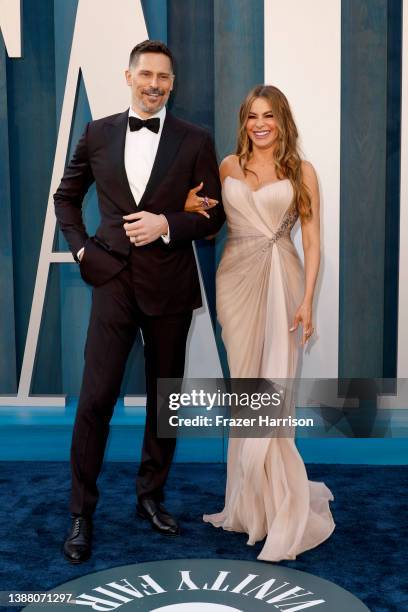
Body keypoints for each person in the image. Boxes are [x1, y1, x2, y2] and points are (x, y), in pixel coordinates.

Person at [54, 39, 225, 563]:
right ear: (128, 76)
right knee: (95, 400)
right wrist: (83, 251)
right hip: (111, 283)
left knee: (164, 402)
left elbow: (213, 215)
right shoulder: (96, 132)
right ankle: (82, 512)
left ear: (173, 84)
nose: (155, 84)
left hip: (170, 287)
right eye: (146, 74)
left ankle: (150, 497)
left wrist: (168, 224)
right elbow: (66, 196)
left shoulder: (195, 139)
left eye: (164, 77)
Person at [185, 84, 335, 561]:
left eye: (268, 115)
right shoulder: (227, 166)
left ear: (282, 120)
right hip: (235, 283)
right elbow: (207, 219)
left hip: (285, 281)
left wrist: (308, 300)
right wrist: (190, 207)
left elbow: (312, 241)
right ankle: (250, 507)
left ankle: (280, 509)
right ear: (244, 122)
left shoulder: (302, 171)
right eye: (252, 116)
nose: (260, 124)